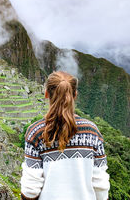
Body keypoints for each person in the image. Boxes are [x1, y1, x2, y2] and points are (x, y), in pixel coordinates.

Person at [20, 71, 110, 200]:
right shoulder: (92, 132)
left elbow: (30, 190)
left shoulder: (36, 132)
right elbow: (100, 185)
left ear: (46, 93)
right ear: (75, 95)